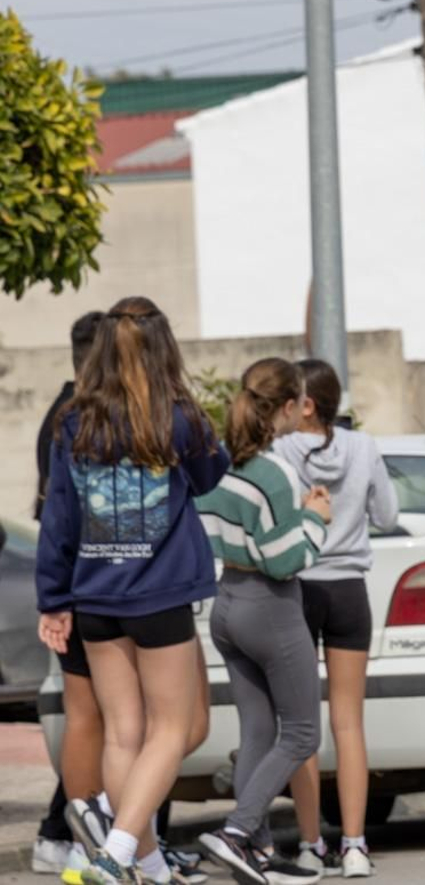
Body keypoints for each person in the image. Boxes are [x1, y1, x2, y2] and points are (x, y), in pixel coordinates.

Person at [35, 298, 232, 885]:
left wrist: (54, 598)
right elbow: (210, 477)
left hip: (94, 596)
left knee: (123, 734)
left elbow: (59, 517)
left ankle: (143, 862)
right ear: (162, 348)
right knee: (171, 730)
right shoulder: (178, 417)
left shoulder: (74, 420)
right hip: (160, 593)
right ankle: (119, 853)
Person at [195, 358, 331, 885]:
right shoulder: (275, 471)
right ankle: (235, 833)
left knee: (256, 731)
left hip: (227, 602)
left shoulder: (224, 463)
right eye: (301, 401)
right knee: (301, 734)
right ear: (293, 406)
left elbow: (223, 529)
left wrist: (295, 517)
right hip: (271, 606)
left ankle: (256, 851)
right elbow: (283, 560)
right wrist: (316, 522)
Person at [278, 359, 397, 879]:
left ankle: (308, 845)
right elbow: (388, 516)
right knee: (348, 722)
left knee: (300, 724)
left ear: (303, 404)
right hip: (350, 590)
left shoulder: (278, 450)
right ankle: (354, 845)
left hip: (297, 588)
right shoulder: (364, 447)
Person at [31, 312, 103, 878]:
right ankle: (77, 836)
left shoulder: (64, 415)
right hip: (91, 586)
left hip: (74, 584)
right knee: (104, 721)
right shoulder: (78, 419)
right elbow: (61, 516)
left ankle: (83, 839)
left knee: (96, 721)